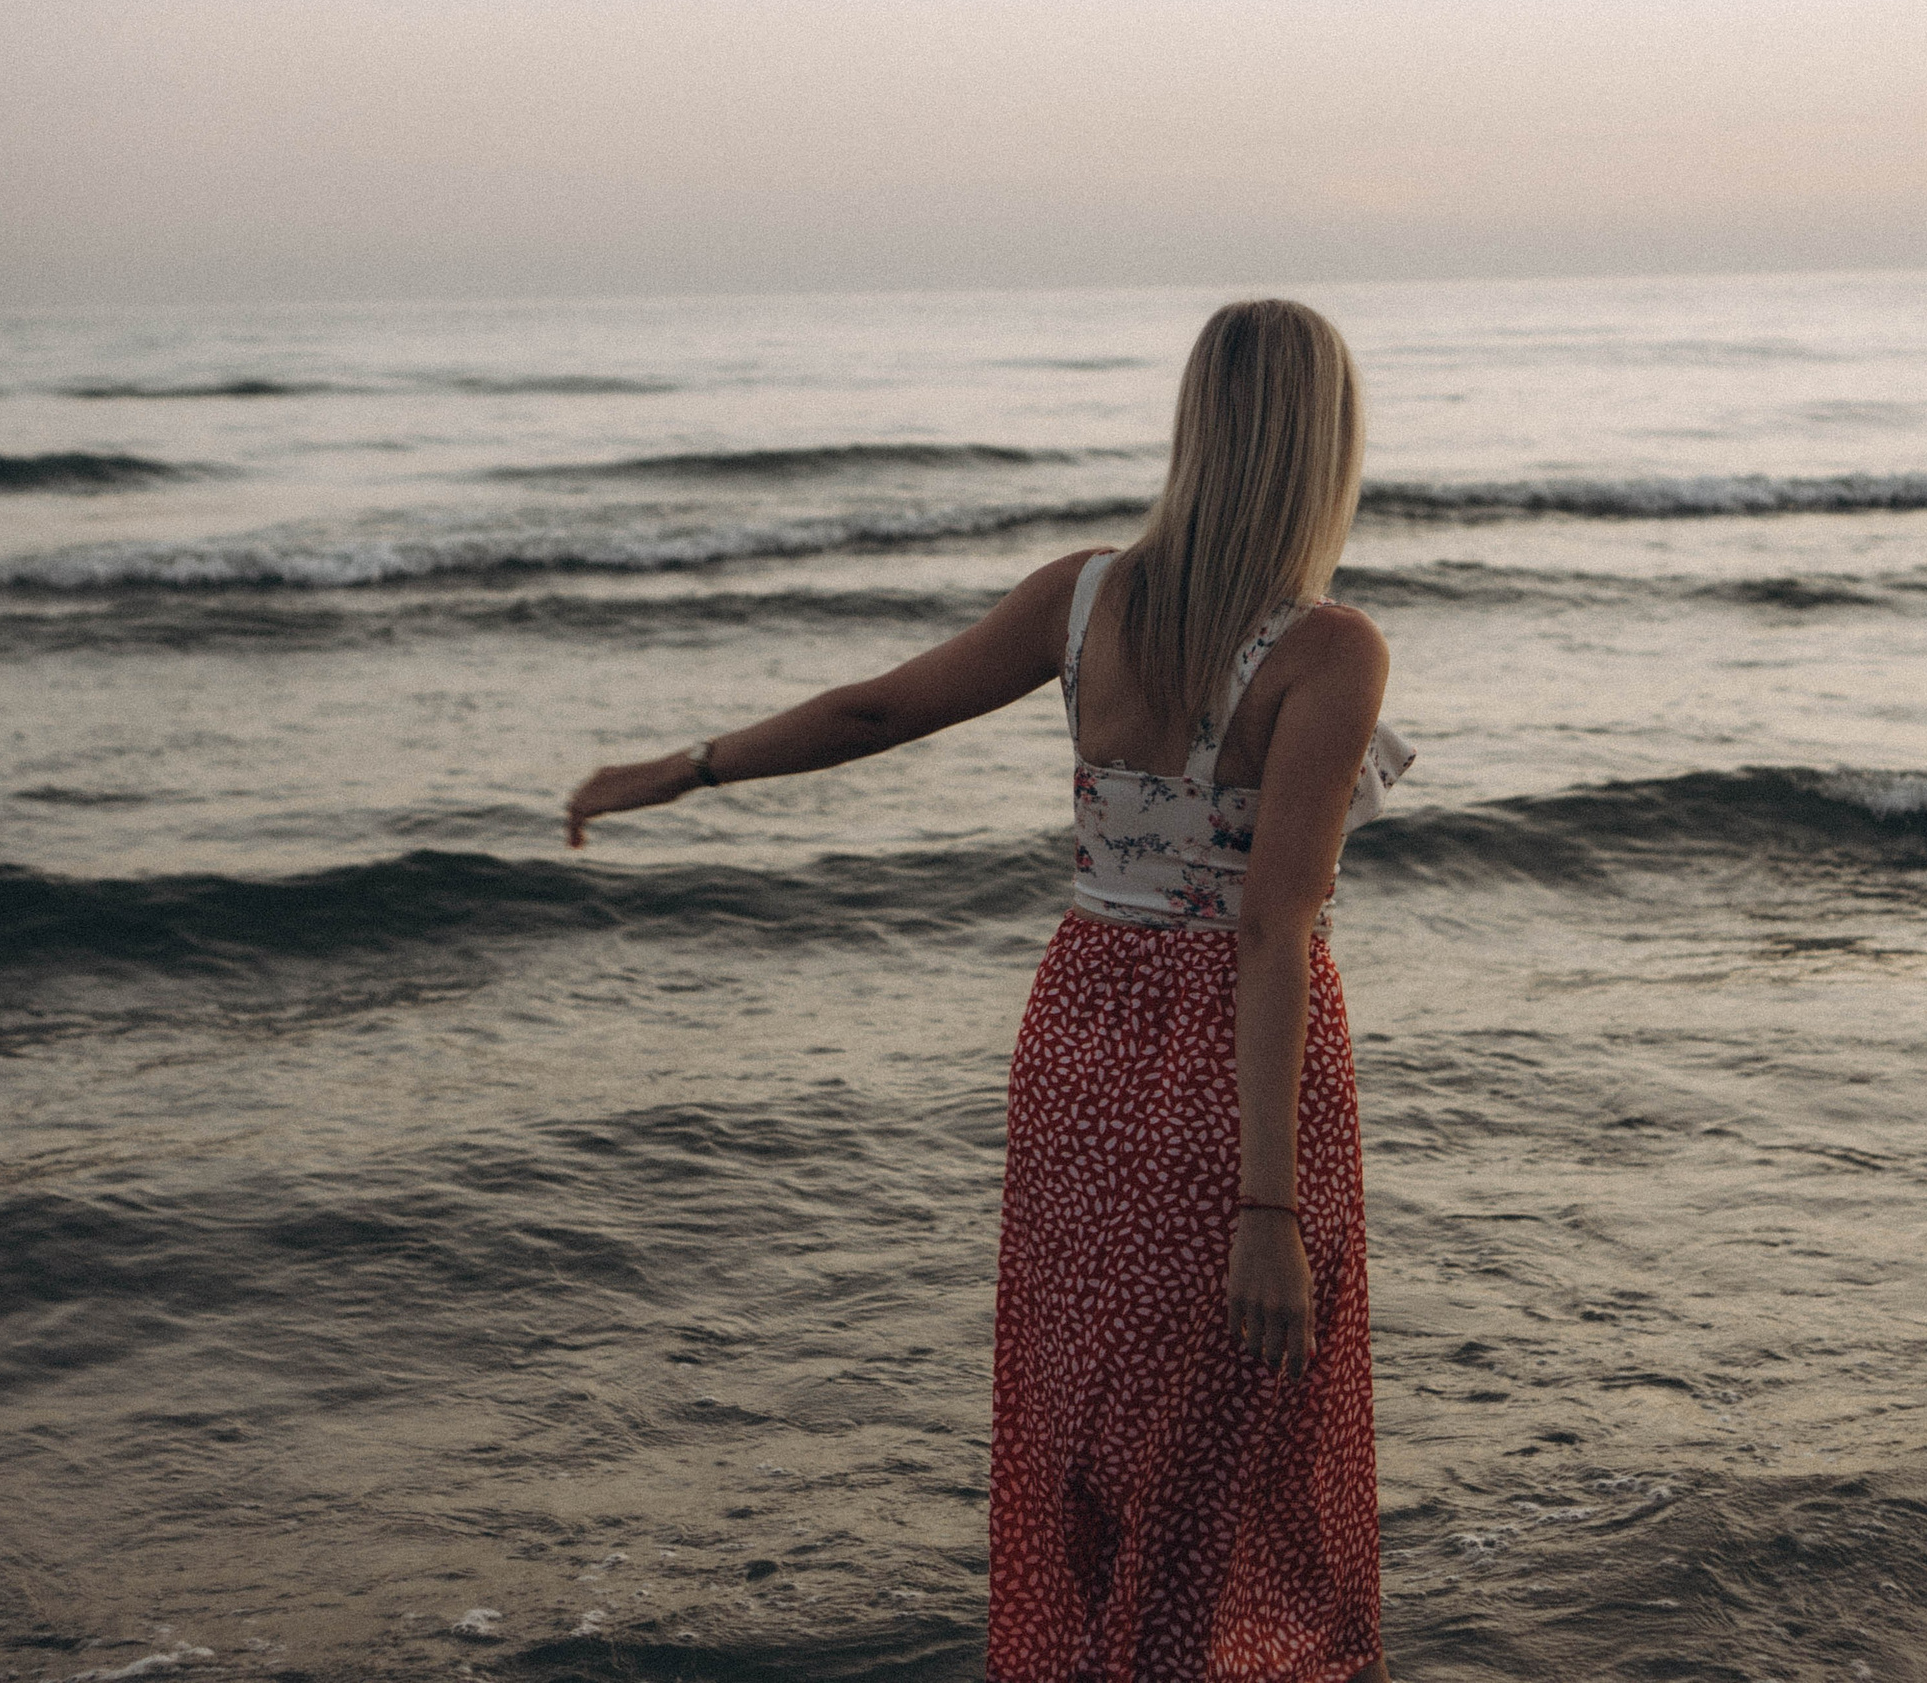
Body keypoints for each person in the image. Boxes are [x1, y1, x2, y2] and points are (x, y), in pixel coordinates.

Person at [565, 299, 1412, 1683]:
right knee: (1238, 1418)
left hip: (1081, 1030)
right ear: (1325, 445)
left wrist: (684, 769)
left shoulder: (1081, 598)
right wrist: (1268, 1210)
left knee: (1091, 1399)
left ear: (1199, 426)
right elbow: (1270, 928)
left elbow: (876, 710)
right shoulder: (1330, 652)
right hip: (1235, 1064)